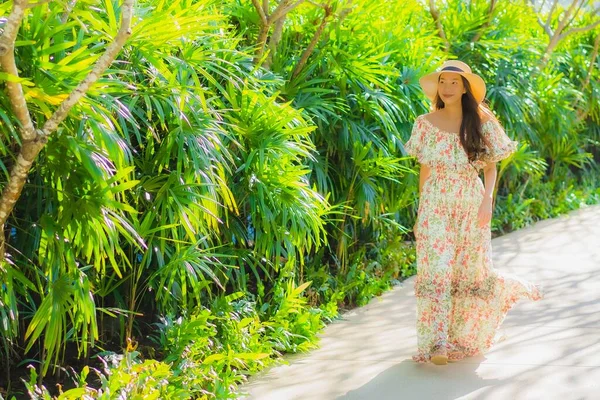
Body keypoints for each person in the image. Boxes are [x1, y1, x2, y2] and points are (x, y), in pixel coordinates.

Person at [404, 60, 542, 365]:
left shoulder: (480, 121)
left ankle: (468, 328)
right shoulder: (424, 123)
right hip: (436, 204)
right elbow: (425, 170)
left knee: (470, 272)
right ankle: (437, 342)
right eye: (443, 81)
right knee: (436, 271)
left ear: (465, 87)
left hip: (470, 202)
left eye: (455, 82)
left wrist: (487, 200)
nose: (448, 88)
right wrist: (421, 212)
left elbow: (490, 167)